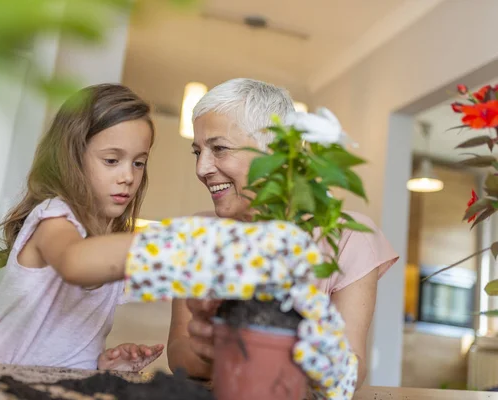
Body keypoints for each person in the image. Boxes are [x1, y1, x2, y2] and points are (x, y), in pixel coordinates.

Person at [166, 78, 399, 388]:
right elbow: (179, 352)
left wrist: (263, 355)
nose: (201, 168)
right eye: (197, 152)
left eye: (219, 148)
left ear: (276, 150)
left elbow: (349, 370)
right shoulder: (198, 234)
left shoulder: (347, 237)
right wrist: (219, 349)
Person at [0, 84, 164, 371]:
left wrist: (103, 365)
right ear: (71, 158)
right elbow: (75, 262)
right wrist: (182, 243)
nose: (128, 176)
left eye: (139, 163)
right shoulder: (53, 219)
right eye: (112, 160)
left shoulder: (109, 240)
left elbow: (67, 354)